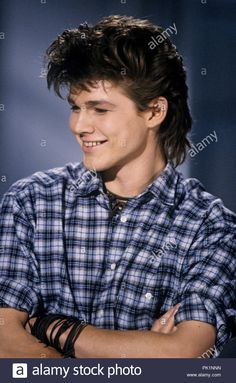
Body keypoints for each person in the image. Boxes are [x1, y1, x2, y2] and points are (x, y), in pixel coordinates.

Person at [0, 15, 235, 358]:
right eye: (76, 108)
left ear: (154, 111)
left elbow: (184, 354)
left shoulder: (210, 226)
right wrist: (144, 350)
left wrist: (56, 329)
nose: (80, 125)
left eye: (99, 109)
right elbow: (4, 341)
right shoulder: (30, 202)